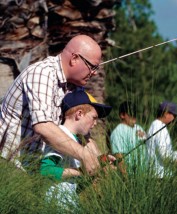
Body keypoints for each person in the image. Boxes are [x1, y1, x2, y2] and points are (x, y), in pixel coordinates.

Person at [0, 34, 103, 175]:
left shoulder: (74, 87)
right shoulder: (42, 73)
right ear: (74, 59)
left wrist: (99, 160)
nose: (95, 73)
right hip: (8, 165)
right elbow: (43, 126)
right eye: (92, 67)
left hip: (33, 171)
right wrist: (84, 156)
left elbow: (83, 134)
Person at [40, 88, 113, 207]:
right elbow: (45, 171)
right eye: (94, 118)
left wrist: (100, 163)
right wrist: (81, 172)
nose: (95, 124)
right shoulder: (61, 136)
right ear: (79, 114)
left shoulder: (74, 139)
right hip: (56, 205)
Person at [146, 101, 177, 178]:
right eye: (174, 115)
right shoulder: (159, 127)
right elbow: (165, 155)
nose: (175, 118)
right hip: (159, 177)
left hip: (157, 175)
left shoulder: (156, 125)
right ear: (166, 114)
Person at [110, 101, 147, 174]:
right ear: (122, 115)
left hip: (144, 174)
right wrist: (126, 180)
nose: (134, 117)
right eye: (131, 114)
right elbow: (119, 157)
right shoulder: (118, 132)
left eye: (135, 114)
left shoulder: (139, 128)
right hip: (130, 177)